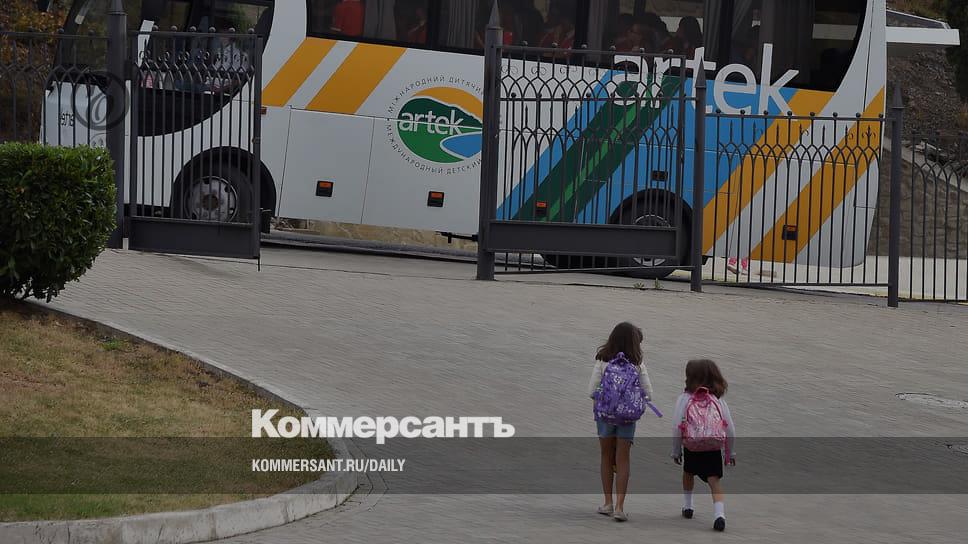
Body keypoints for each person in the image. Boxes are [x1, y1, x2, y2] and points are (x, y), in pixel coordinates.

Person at [588, 322, 655, 522]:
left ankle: (607, 502)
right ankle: (620, 507)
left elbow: (591, 390)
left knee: (606, 456)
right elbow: (649, 394)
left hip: (604, 416)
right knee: (623, 459)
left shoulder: (603, 360)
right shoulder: (637, 364)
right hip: (627, 418)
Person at [671, 359, 736, 532]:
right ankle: (719, 515)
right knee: (714, 481)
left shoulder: (684, 398)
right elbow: (730, 428)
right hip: (713, 447)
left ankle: (688, 506)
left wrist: (676, 451)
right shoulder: (718, 400)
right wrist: (730, 453)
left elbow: (676, 426)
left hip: (692, 445)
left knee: (688, 473)